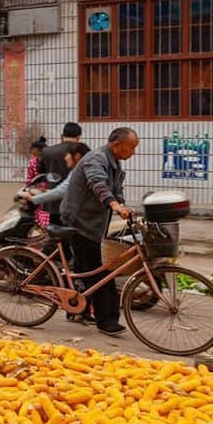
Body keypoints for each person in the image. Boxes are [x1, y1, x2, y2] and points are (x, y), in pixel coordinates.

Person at [61, 128, 139, 337]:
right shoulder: (95, 159)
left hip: (93, 224)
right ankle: (107, 321)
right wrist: (114, 204)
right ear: (117, 145)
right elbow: (99, 185)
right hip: (79, 223)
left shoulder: (114, 163)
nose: (133, 152)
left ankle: (79, 309)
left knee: (87, 270)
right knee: (101, 273)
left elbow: (116, 189)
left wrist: (122, 205)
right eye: (132, 147)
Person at [37, 122, 83, 224]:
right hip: (74, 204)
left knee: (55, 233)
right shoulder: (82, 152)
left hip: (53, 203)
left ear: (62, 136)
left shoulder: (47, 151)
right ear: (78, 137)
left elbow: (40, 171)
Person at [27, 136, 50, 227]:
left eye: (37, 155)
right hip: (37, 190)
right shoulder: (32, 162)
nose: (36, 157)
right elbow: (29, 179)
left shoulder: (51, 161)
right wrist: (29, 189)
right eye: (34, 155)